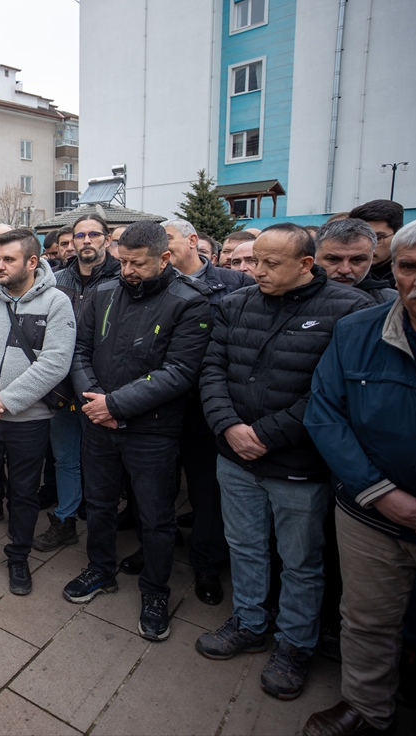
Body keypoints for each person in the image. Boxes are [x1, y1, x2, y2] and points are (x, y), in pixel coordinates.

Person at [195, 224, 371, 700]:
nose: (253, 271)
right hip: (234, 457)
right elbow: (211, 371)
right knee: (245, 546)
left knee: (301, 561)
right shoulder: (234, 305)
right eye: (252, 262)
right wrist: (229, 427)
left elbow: (330, 392)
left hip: (298, 463)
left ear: (306, 264)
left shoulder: (349, 311)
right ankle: (250, 621)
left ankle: (295, 643)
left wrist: (266, 435)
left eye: (268, 263)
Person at [302, 215, 416, 736]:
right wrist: (380, 492)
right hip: (370, 513)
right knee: (366, 619)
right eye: (410, 266)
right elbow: (325, 413)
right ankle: (366, 708)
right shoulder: (358, 331)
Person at [61, 221, 213, 642]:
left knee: (156, 516)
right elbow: (80, 351)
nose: (127, 270)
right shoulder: (104, 293)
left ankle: (155, 591)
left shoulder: (189, 302)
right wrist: (96, 401)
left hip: (153, 431)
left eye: (137, 263)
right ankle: (100, 568)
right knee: (100, 502)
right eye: (123, 260)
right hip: (99, 421)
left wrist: (115, 404)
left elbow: (180, 372)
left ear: (164, 258)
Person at [0, 229, 75, 594]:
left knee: (23, 493)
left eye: (8, 259)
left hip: (29, 421)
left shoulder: (56, 303)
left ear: (32, 262)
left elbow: (55, 363)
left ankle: (18, 557)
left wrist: (4, 401)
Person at [163, 220, 257, 606]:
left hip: (209, 406)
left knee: (205, 491)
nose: (160, 249)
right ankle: (159, 548)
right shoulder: (157, 282)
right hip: (160, 405)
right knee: (158, 486)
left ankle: (206, 562)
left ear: (191, 242)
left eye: (165, 240)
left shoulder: (233, 285)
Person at [32, 214, 122, 553]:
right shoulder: (56, 281)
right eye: (79, 235)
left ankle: (104, 528)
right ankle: (66, 519)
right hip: (60, 388)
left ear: (107, 238)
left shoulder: (121, 279)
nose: (86, 241)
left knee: (104, 464)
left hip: (105, 388)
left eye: (93, 234)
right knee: (65, 458)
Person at [314, 218, 399, 305]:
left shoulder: (394, 304)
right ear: (313, 256)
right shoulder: (300, 297)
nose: (345, 270)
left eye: (357, 260)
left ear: (372, 257)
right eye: (333, 259)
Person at [348, 199, 404, 289]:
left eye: (377, 238)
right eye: (360, 238)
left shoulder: (406, 278)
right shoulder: (340, 271)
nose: (369, 246)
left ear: (398, 235)